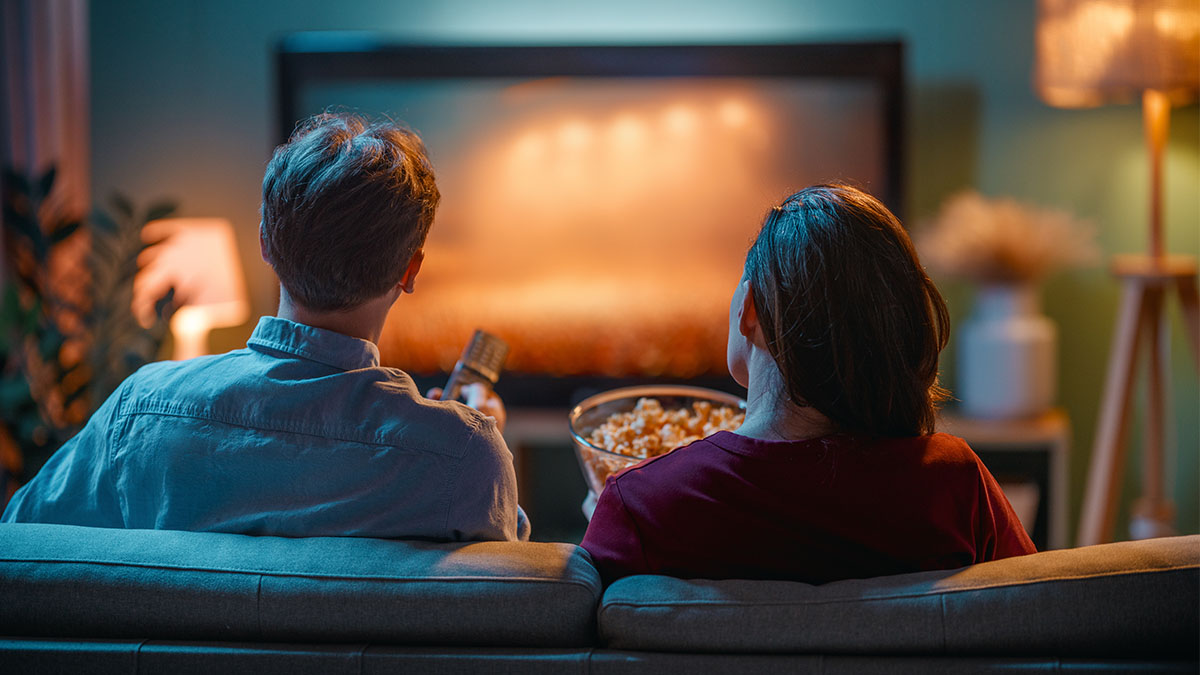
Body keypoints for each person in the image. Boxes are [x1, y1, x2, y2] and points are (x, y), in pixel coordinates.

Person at [2, 113, 530, 542]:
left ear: (265, 243)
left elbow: (20, 545)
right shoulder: (463, 456)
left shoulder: (140, 412)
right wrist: (473, 437)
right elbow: (500, 595)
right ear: (409, 270)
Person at [581, 184, 1034, 584]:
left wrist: (604, 518)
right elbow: (1036, 609)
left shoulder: (640, 504)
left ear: (751, 308)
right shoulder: (954, 485)